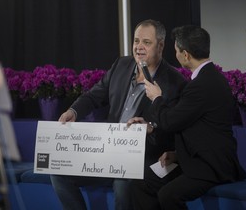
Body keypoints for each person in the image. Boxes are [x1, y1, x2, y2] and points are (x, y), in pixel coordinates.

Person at [50, 19, 187, 210]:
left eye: (146, 42)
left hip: (142, 157)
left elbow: (173, 128)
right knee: (58, 174)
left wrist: (151, 128)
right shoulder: (121, 65)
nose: (139, 47)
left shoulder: (175, 82)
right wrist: (73, 111)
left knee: (123, 184)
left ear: (161, 45)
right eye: (136, 41)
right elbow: (94, 96)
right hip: (109, 152)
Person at [127, 25, 246, 210]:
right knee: (142, 183)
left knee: (168, 196)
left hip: (211, 166)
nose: (174, 54)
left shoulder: (202, 84)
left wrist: (157, 97)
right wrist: (176, 155)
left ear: (185, 55)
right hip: (195, 158)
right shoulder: (208, 78)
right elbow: (193, 125)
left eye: (176, 50)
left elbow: (170, 122)